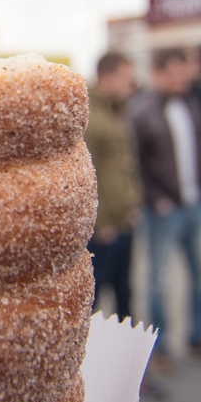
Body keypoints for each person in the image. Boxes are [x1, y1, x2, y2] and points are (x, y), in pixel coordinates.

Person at [130, 47, 201, 372]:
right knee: (159, 280)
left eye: (184, 71)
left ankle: (198, 336)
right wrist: (155, 199)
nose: (181, 77)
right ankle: (162, 345)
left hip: (195, 204)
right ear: (157, 74)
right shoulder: (142, 113)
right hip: (165, 210)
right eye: (174, 72)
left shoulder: (191, 106)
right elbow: (136, 164)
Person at [83, 53, 142, 322]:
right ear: (107, 76)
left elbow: (123, 167)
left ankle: (128, 359)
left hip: (124, 220)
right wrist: (100, 222)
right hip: (105, 227)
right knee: (94, 297)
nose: (130, 83)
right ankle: (88, 359)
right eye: (125, 77)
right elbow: (88, 173)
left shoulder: (115, 109)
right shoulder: (91, 113)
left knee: (124, 293)